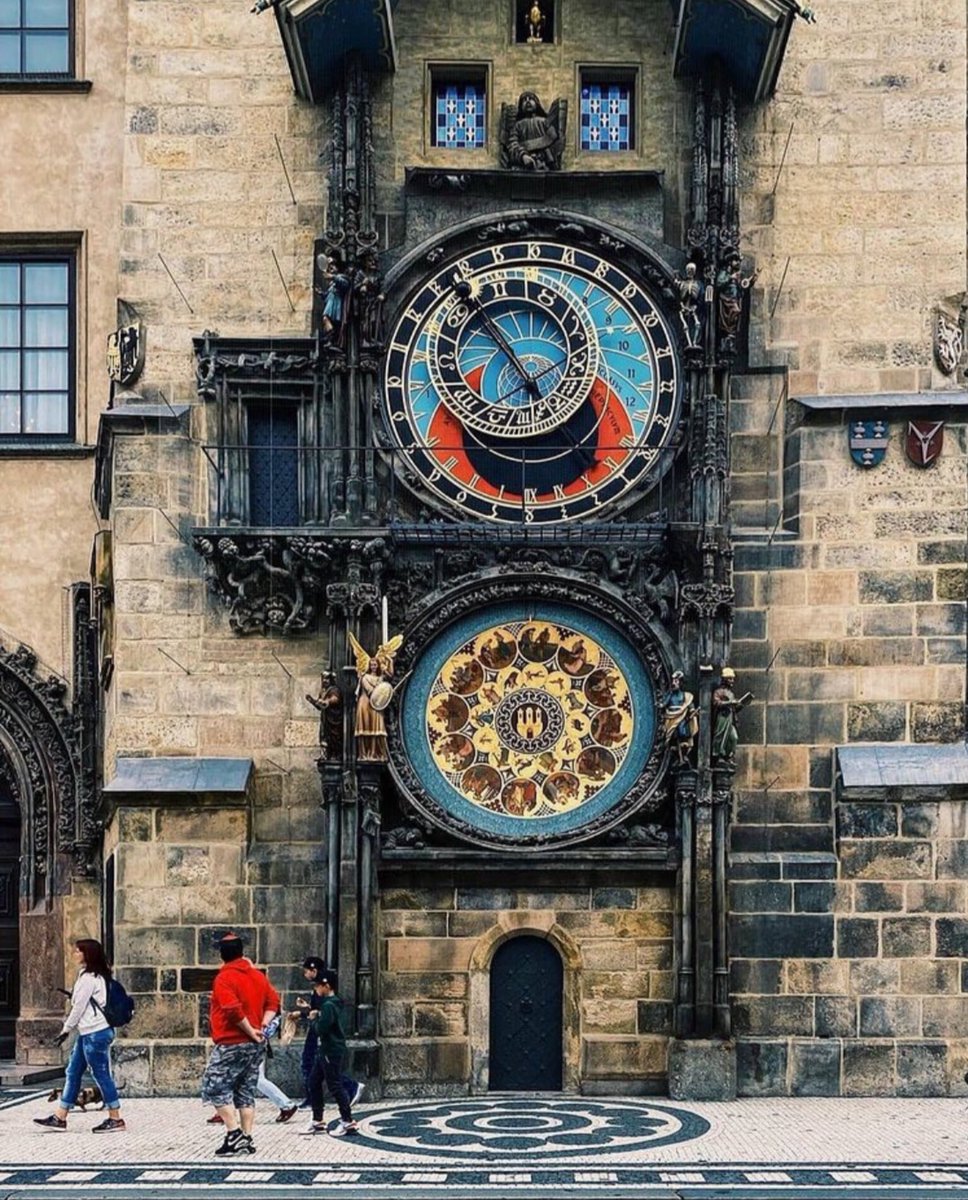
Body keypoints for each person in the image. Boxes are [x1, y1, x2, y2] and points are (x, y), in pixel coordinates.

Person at [200, 931, 280, 1156]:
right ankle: (246, 1137)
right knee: (245, 1089)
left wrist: (250, 1030)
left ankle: (233, 1134)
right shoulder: (257, 976)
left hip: (232, 1041)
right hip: (255, 1043)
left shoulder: (224, 978)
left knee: (214, 1086)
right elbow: (273, 1002)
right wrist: (261, 1028)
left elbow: (232, 1009)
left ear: (222, 955)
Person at [33, 939, 125, 1133]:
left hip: (95, 1032)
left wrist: (66, 1029)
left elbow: (78, 1008)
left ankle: (115, 1118)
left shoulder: (89, 978)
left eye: (78, 951)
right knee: (73, 1072)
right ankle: (60, 1117)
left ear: (87, 954)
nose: (75, 954)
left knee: (101, 1075)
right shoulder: (92, 976)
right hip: (88, 1033)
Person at [295, 957, 362, 1109]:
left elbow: (320, 1015)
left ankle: (349, 1095)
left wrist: (308, 1015)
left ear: (314, 970)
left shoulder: (326, 996)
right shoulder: (324, 993)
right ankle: (317, 1111)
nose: (305, 975)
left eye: (306, 971)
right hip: (323, 1036)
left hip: (324, 1038)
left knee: (318, 1069)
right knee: (318, 1070)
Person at [303, 970, 358, 1136]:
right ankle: (317, 1120)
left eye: (318, 986)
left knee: (335, 1085)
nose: (316, 989)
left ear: (326, 986)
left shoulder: (328, 1005)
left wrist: (313, 1019)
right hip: (325, 1050)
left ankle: (347, 1121)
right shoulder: (331, 1003)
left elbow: (322, 1029)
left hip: (330, 1050)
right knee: (314, 1082)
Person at [662, 670, 699, 765]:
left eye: (676, 681)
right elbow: (664, 704)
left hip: (681, 717)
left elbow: (689, 704)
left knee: (683, 733)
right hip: (671, 717)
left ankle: (683, 756)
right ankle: (675, 756)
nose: (674, 683)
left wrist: (692, 712)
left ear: (681, 683)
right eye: (673, 681)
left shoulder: (685, 695)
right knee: (672, 736)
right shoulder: (670, 695)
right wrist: (660, 705)